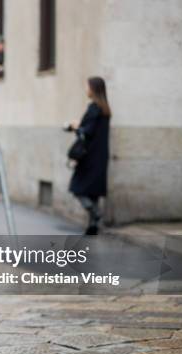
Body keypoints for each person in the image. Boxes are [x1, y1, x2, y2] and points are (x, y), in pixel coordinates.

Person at [67, 76, 112, 235]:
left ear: (94, 89)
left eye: (87, 86)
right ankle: (92, 226)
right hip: (100, 156)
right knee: (93, 192)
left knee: (78, 188)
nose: (86, 89)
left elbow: (87, 132)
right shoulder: (105, 109)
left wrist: (75, 127)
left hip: (89, 156)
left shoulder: (95, 108)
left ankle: (97, 214)